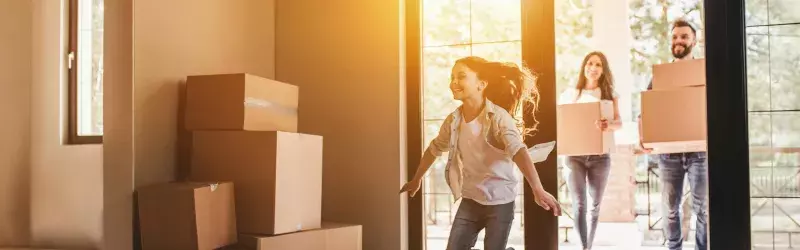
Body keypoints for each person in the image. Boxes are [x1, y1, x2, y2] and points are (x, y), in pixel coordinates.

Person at [399, 56, 561, 250]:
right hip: (471, 200)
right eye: (452, 77)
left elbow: (519, 151)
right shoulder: (453, 121)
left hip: (500, 202)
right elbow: (433, 149)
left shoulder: (499, 117)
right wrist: (417, 179)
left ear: (481, 84)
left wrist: (537, 189)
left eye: (461, 77)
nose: (454, 82)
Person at [637, 19, 708, 250]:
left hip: (699, 151)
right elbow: (646, 110)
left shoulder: (703, 72)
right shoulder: (661, 75)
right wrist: (644, 138)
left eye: (684, 37)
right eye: (675, 36)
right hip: (669, 154)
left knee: (704, 209)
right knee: (669, 209)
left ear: (694, 41)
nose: (679, 41)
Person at [557, 51, 622, 250]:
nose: (593, 68)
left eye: (598, 65)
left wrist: (608, 125)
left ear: (603, 71)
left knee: (594, 206)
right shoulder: (570, 94)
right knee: (579, 204)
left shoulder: (609, 94)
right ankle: (584, 246)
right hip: (574, 157)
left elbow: (618, 123)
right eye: (590, 63)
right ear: (584, 66)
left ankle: (588, 246)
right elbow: (561, 121)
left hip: (600, 157)